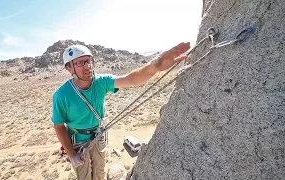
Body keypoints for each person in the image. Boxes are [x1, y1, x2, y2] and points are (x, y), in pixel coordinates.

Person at [51, 42, 190, 180]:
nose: (87, 66)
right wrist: (71, 153)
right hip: (78, 144)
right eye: (80, 63)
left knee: (99, 174)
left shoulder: (100, 81)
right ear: (69, 68)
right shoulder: (62, 95)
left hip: (98, 137)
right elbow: (58, 126)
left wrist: (155, 67)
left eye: (88, 61)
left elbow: (130, 79)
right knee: (85, 177)